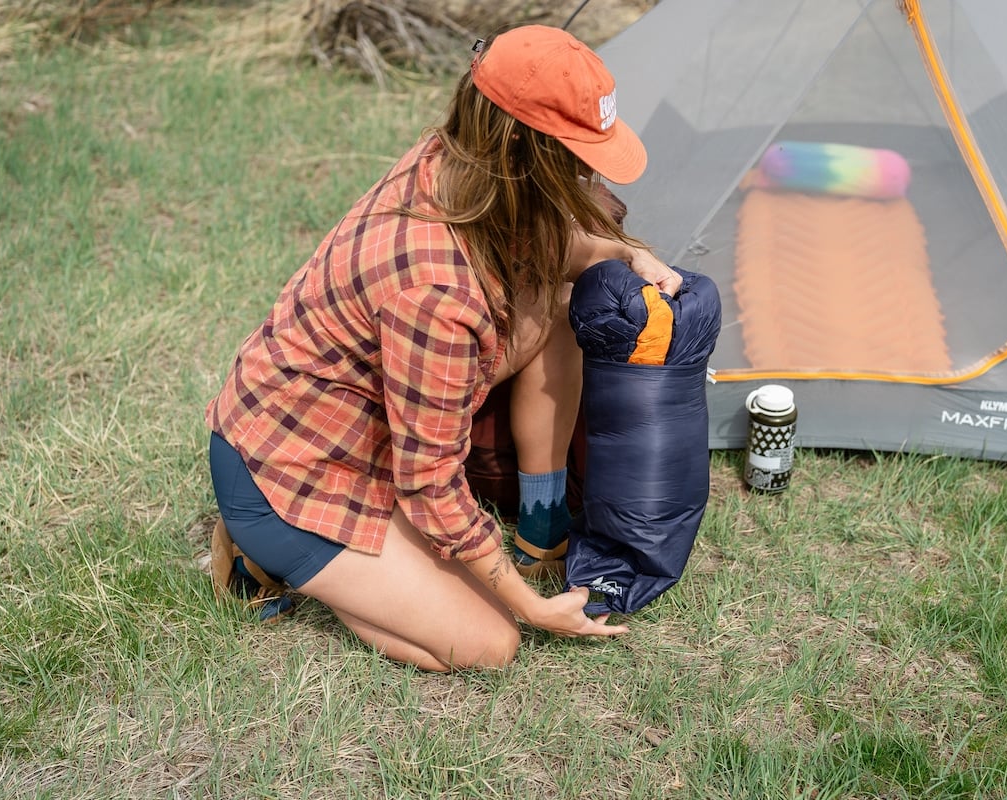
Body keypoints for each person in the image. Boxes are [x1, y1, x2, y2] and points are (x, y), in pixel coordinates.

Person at [205, 24, 682, 672]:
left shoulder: (461, 161)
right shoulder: (438, 296)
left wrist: (625, 253)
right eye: (575, 155)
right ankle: (262, 553)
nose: (588, 171)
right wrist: (531, 607)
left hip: (362, 432)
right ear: (522, 147)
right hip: (291, 469)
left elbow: (550, 250)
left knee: (563, 296)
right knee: (490, 642)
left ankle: (539, 527)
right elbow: (429, 484)